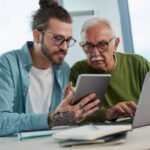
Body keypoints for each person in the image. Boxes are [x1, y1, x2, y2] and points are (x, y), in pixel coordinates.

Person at [0, 0, 100, 136]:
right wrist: (53, 118)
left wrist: (72, 115)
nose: (65, 47)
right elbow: (2, 122)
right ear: (37, 36)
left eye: (68, 40)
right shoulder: (7, 64)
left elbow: (58, 120)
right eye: (58, 38)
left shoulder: (64, 69)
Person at [70, 17, 150, 122]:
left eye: (102, 44)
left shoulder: (138, 63)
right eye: (89, 46)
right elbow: (74, 116)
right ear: (82, 47)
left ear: (115, 44)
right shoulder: (78, 70)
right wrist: (108, 113)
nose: (95, 53)